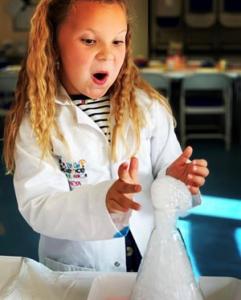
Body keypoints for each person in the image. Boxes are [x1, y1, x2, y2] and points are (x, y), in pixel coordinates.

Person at [3, 0, 209, 273]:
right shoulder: (38, 121)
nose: (107, 55)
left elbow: (167, 183)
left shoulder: (148, 107)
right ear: (53, 44)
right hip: (82, 269)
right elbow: (39, 205)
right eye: (89, 41)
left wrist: (177, 183)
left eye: (117, 41)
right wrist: (102, 203)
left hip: (149, 261)